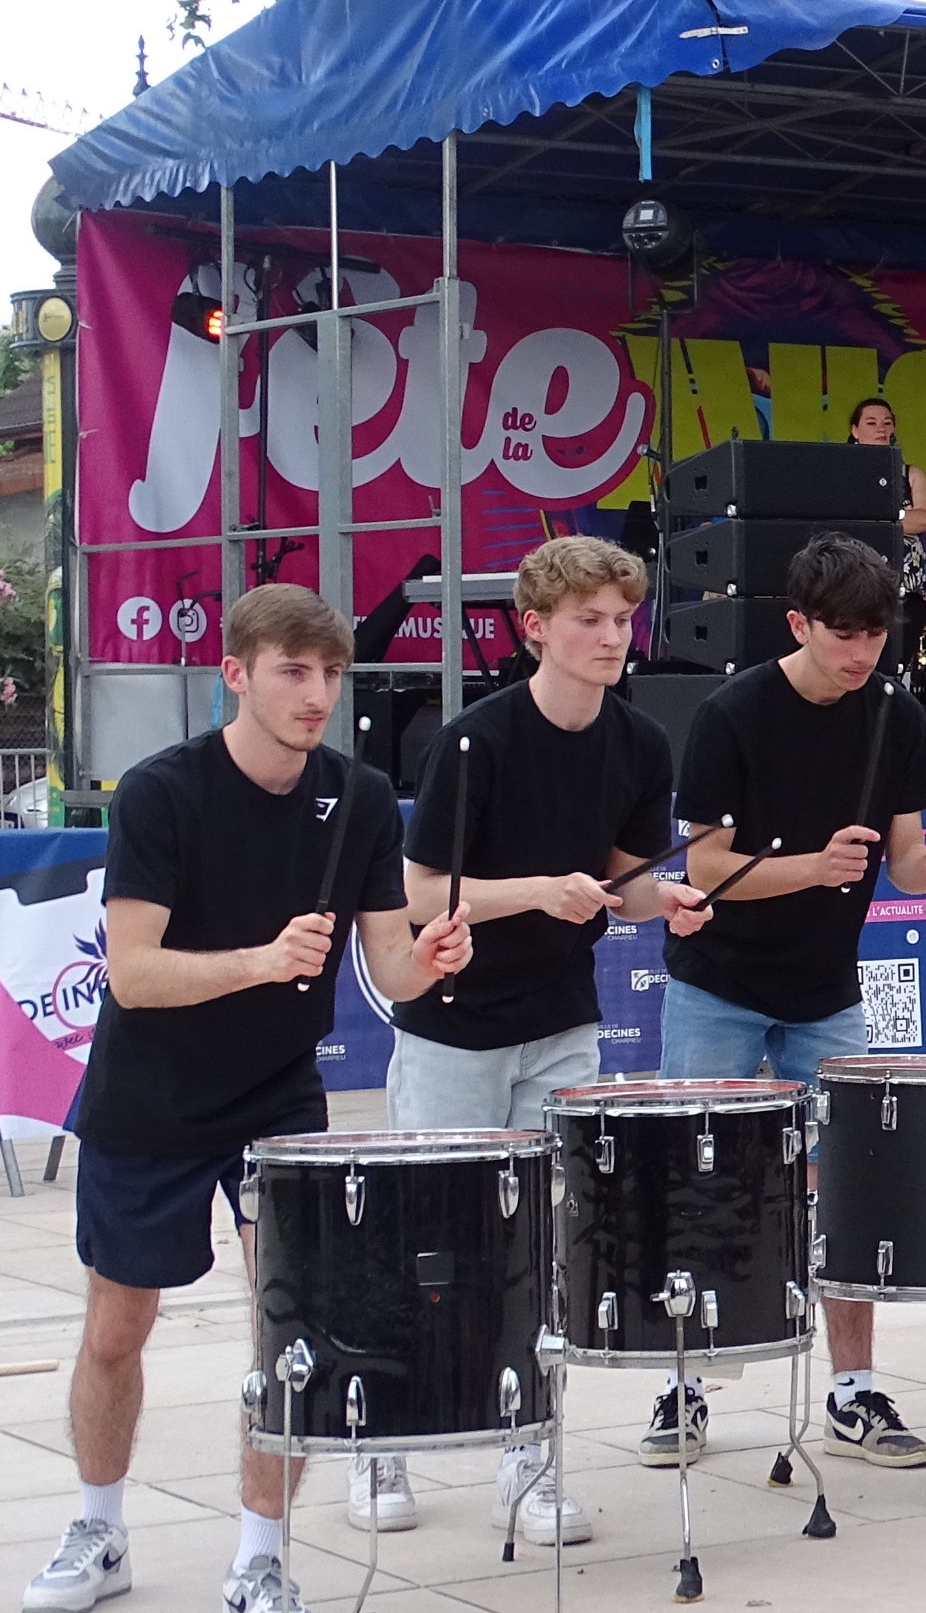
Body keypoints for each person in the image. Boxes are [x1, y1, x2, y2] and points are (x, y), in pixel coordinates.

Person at [26, 585, 472, 1613]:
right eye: (293, 671)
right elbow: (133, 974)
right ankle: (100, 1527)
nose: (317, 693)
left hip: (278, 1095)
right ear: (235, 673)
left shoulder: (359, 795)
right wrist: (263, 962)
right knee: (114, 1328)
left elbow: (389, 970)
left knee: (293, 1327)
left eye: (330, 674)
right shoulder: (160, 791)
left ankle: (261, 1549)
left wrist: (431, 957)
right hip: (150, 1093)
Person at [353, 539, 708, 1542]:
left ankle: (529, 1450)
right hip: (455, 1025)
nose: (610, 636)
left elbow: (623, 879)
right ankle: (381, 1435)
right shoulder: (472, 741)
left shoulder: (638, 744)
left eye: (622, 619)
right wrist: (536, 893)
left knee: (541, 1245)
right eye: (588, 618)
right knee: (429, 1235)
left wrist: (664, 897)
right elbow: (421, 891)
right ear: (534, 626)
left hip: (563, 1019)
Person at [657, 532, 926, 1468]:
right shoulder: (732, 715)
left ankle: (853, 1391)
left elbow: (909, 863)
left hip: (828, 987)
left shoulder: (893, 714)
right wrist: (812, 868)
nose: (862, 652)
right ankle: (682, 1387)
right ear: (797, 623)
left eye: (877, 633)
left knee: (850, 1189)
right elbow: (705, 871)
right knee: (700, 1184)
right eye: (844, 633)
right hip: (718, 982)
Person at [846, 397, 926, 665]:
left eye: (887, 423)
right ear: (855, 430)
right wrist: (899, 519)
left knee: (895, 664)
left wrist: (876, 518)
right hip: (855, 585)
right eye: (872, 422)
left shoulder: (910, 474)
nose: (881, 429)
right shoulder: (843, 473)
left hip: (906, 590)